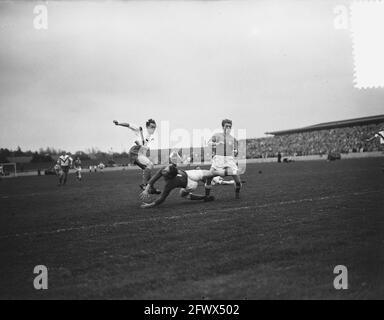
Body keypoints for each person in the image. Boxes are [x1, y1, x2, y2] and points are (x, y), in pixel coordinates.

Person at [113, 119, 160, 194]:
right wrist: (118, 123)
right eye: (151, 127)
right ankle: (144, 185)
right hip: (134, 152)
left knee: (148, 169)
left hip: (140, 153)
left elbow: (145, 148)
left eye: (154, 127)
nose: (153, 129)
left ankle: (151, 188)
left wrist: (145, 148)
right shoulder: (140, 129)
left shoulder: (150, 137)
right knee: (150, 165)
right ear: (147, 126)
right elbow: (128, 125)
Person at [140, 164, 215, 208]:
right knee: (209, 173)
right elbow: (153, 179)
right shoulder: (165, 169)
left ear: (169, 175)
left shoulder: (171, 183)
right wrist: (146, 190)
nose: (163, 170)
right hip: (189, 173)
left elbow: (162, 197)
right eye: (166, 167)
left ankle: (205, 196)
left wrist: (149, 205)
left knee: (182, 194)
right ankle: (207, 194)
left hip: (191, 184)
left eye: (165, 171)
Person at [208, 119, 242, 199]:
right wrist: (216, 143)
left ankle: (237, 195)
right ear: (223, 127)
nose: (228, 128)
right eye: (227, 126)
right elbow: (209, 143)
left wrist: (236, 151)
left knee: (238, 181)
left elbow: (236, 149)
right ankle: (207, 196)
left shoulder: (233, 139)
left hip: (229, 159)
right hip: (218, 158)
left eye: (230, 126)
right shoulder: (217, 135)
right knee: (209, 177)